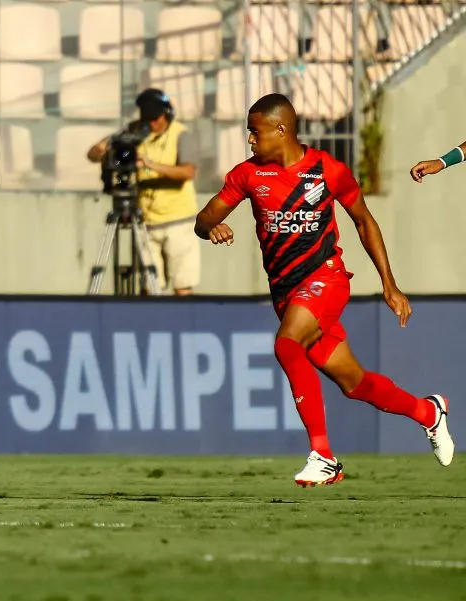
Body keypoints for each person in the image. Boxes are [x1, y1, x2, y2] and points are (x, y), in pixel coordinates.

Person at [193, 92, 454, 487]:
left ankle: (323, 455)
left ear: (281, 130)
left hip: (326, 279)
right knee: (353, 382)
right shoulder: (248, 175)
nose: (250, 139)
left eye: (255, 132)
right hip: (286, 293)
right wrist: (210, 227)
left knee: (287, 345)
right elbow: (202, 220)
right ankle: (428, 412)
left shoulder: (327, 170)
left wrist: (389, 283)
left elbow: (364, 221)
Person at [87, 89, 201, 295]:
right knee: (148, 287)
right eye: (148, 118)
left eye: (156, 118)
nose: (152, 123)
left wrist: (149, 164)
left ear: (166, 114)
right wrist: (104, 151)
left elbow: (187, 172)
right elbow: (93, 153)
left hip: (178, 221)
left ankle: (184, 316)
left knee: (182, 286)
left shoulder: (181, 134)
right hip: (146, 222)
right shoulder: (135, 131)